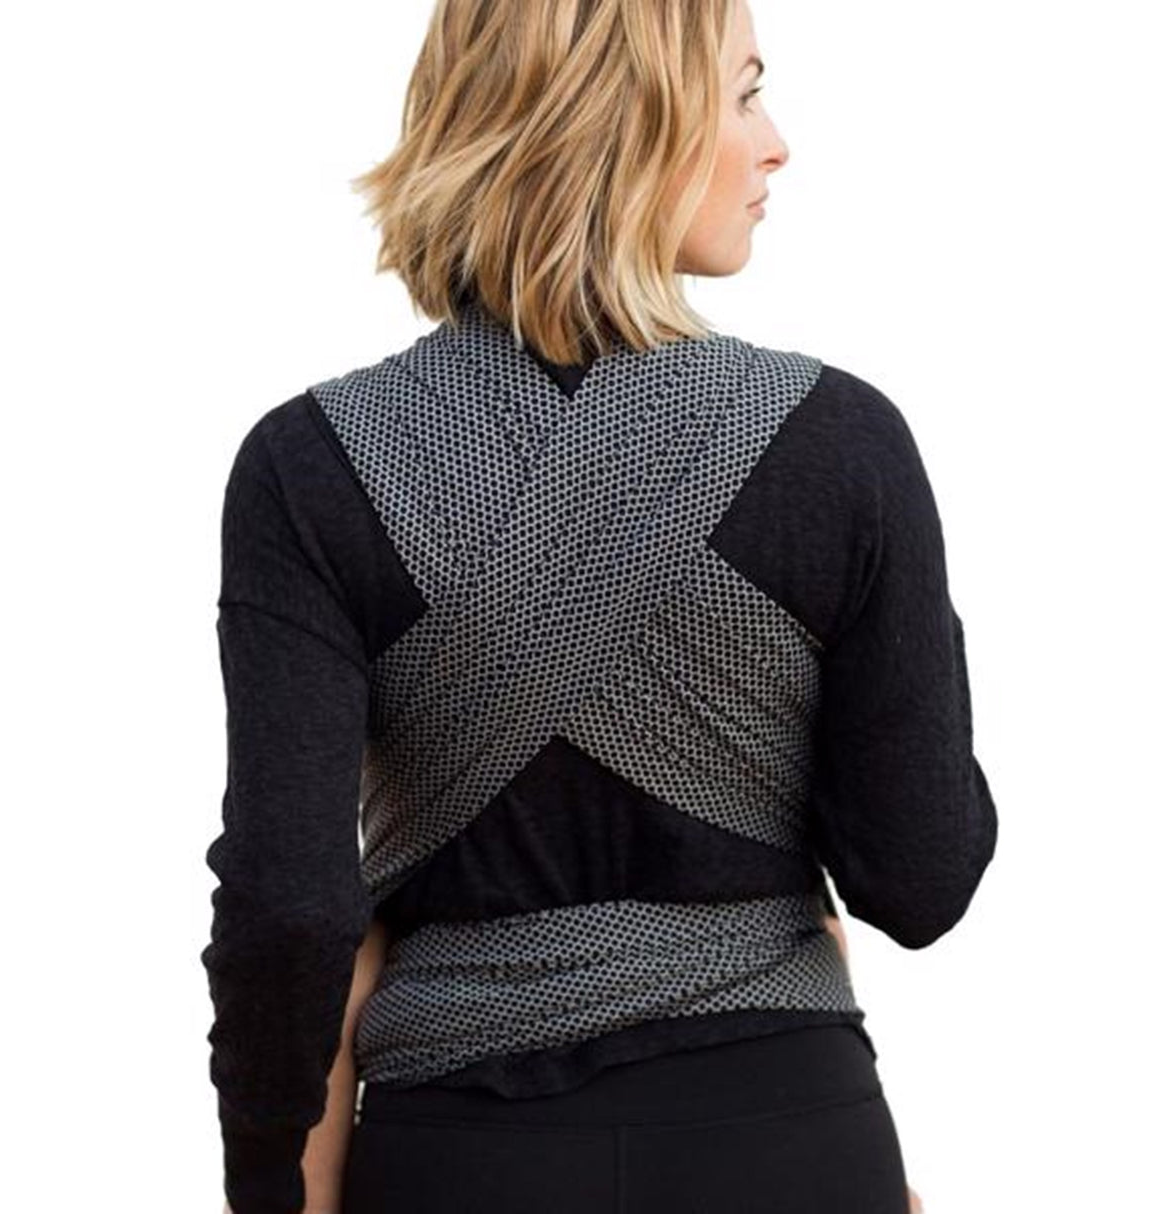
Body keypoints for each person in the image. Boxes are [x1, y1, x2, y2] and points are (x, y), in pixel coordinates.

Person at [200, 1, 998, 1212]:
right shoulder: (842, 443)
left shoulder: (308, 467)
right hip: (786, 1137)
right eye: (743, 93)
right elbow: (919, 874)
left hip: (465, 1153)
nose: (775, 142)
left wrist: (269, 1179)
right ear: (629, 125)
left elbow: (289, 909)